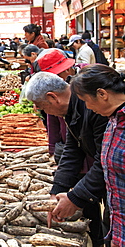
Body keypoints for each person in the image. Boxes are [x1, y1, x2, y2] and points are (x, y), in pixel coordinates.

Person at [25, 71, 108, 247]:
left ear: (53, 97)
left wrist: (75, 198)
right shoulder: (72, 110)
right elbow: (73, 150)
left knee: (112, 227)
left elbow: (105, 162)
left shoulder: (94, 108)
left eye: (41, 106)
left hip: (115, 183)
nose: (41, 111)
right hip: (104, 178)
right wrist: (57, 191)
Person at [70, 64, 125, 247]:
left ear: (102, 94)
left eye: (85, 100)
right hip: (117, 222)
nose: (86, 107)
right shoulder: (112, 120)